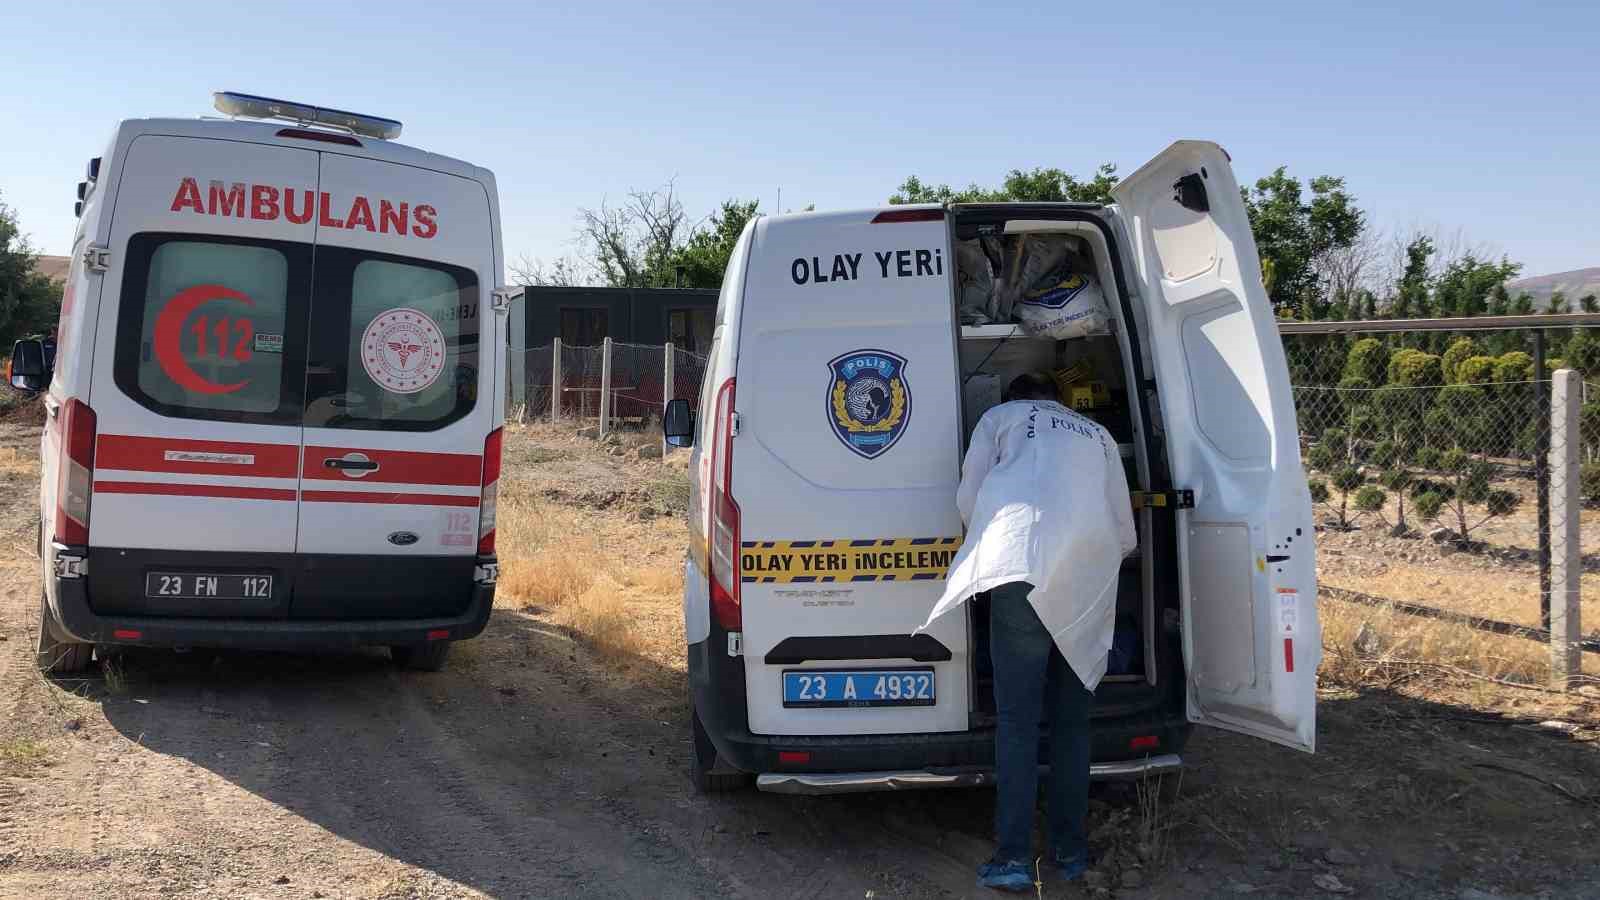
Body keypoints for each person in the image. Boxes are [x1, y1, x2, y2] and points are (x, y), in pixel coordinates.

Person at [917, 372, 1137, 892]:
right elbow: (1125, 531)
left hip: (1019, 566)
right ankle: (1071, 852)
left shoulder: (998, 419)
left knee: (1018, 722)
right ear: (1056, 399)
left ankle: (1014, 859)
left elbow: (968, 503)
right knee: (1071, 724)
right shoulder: (1097, 434)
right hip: (1087, 575)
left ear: (1013, 397)